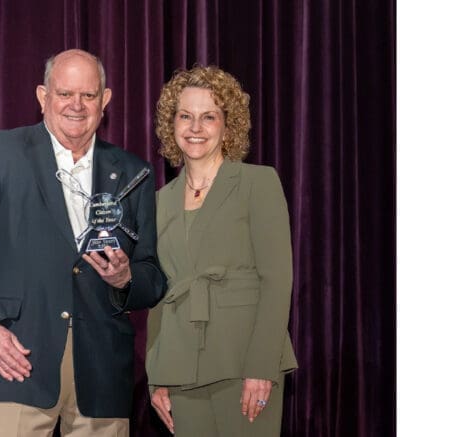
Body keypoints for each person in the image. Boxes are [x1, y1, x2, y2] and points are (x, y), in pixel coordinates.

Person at [0, 49, 167, 436]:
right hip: (16, 363)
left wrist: (125, 279)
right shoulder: (1, 153)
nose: (76, 105)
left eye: (88, 95)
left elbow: (152, 277)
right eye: (65, 93)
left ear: (105, 99)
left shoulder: (134, 173)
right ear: (42, 96)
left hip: (102, 374)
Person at [145, 65, 298, 436]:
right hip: (180, 369)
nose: (195, 127)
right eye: (185, 116)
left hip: (244, 363)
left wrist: (262, 366)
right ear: (171, 123)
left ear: (227, 126)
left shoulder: (257, 183)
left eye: (208, 117)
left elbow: (277, 280)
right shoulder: (157, 202)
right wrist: (156, 375)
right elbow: (158, 295)